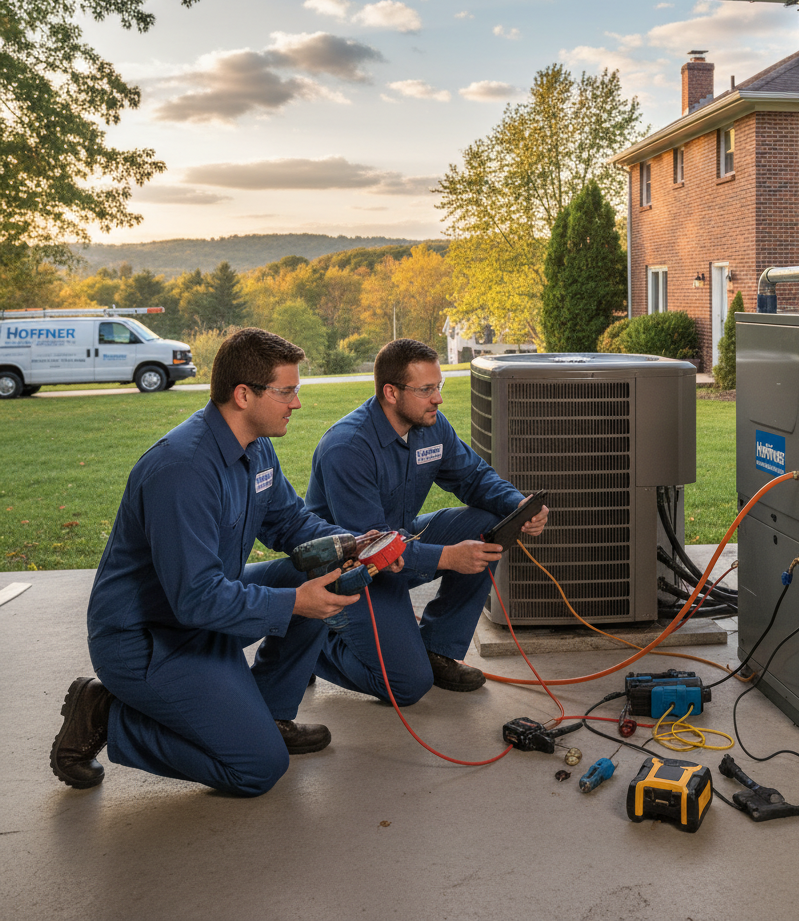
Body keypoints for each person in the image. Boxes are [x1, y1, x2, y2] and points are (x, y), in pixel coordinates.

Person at [50, 328, 369, 797]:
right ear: (244, 395)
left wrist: (356, 545)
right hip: (148, 639)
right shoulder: (182, 470)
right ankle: (106, 713)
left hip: (203, 613)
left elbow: (289, 522)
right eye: (287, 391)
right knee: (258, 769)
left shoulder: (256, 447)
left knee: (325, 573)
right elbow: (195, 598)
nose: (296, 403)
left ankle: (269, 713)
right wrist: (292, 604)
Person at [302, 337, 547, 704]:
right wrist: (448, 557)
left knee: (490, 522)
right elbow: (371, 549)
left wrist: (518, 506)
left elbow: (474, 477)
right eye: (426, 389)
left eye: (439, 386)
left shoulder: (431, 426)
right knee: (407, 686)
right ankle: (314, 646)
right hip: (350, 570)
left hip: (399, 542)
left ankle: (437, 647)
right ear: (391, 392)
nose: (438, 398)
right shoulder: (348, 448)